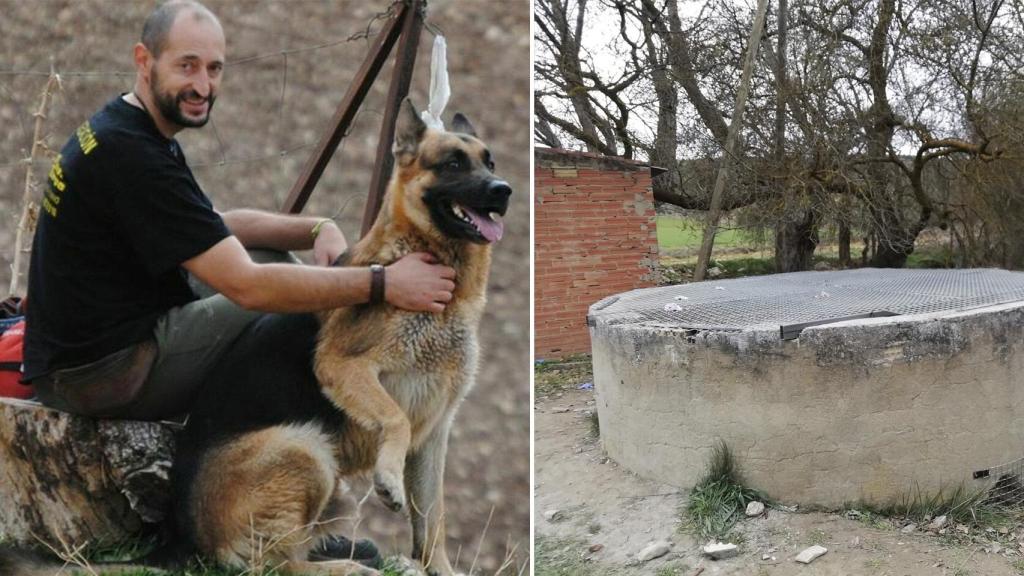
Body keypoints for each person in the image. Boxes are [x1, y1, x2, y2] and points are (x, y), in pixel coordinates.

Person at [23, 0, 456, 423]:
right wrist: (385, 283)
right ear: (144, 60)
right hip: (101, 375)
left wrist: (315, 229)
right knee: (298, 309)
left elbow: (213, 224)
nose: (203, 85)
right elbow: (249, 288)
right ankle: (269, 442)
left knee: (275, 260)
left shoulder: (128, 124)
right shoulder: (134, 156)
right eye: (186, 66)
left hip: (84, 351)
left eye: (214, 69)